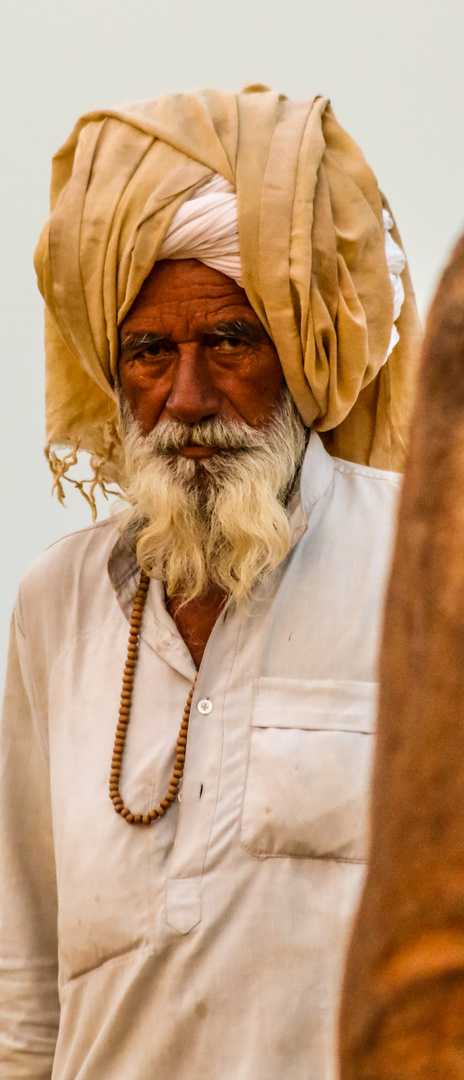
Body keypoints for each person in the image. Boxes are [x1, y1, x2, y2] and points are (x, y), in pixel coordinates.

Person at [0, 85, 421, 1080]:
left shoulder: (419, 563)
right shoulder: (55, 605)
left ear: (299, 356)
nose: (186, 399)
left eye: (229, 341)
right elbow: (21, 995)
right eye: (150, 352)